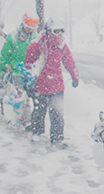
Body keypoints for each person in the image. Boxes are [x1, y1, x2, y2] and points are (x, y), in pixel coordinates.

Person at [24, 18, 79, 147]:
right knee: (39, 110)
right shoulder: (39, 45)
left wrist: (75, 76)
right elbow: (29, 63)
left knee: (57, 113)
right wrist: (28, 79)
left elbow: (69, 62)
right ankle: (36, 132)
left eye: (61, 32)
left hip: (56, 85)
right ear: (48, 31)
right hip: (40, 85)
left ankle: (57, 138)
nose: (59, 35)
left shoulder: (62, 46)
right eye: (56, 31)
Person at [0, 13, 39, 126]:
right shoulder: (13, 37)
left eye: (32, 28)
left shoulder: (37, 38)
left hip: (32, 73)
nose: (30, 30)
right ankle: (27, 121)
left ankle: (32, 119)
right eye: (28, 27)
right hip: (17, 73)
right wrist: (1, 70)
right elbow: (5, 55)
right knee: (22, 97)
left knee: (36, 98)